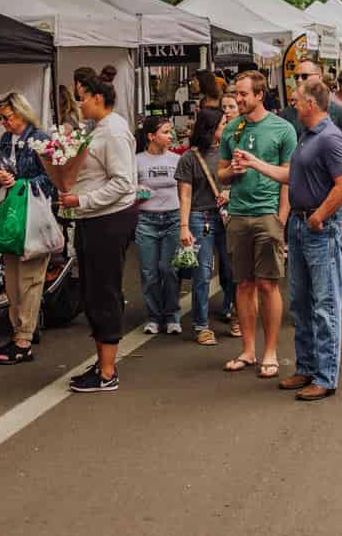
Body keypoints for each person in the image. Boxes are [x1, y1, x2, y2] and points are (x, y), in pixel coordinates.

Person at [235, 76, 342, 401]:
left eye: (297, 100)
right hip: (301, 226)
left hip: (318, 227)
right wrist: (256, 163)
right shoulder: (307, 136)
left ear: (311, 104)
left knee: (325, 305)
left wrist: (319, 215)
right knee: (301, 302)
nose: (293, 105)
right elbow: (293, 174)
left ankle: (326, 377)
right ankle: (306, 367)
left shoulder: (329, 138)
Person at [58, 70, 139, 393]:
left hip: (109, 219)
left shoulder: (114, 131)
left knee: (103, 291)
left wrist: (83, 198)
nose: (79, 103)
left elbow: (123, 183)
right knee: (93, 290)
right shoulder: (98, 129)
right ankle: (103, 361)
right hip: (93, 218)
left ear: (97, 98)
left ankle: (107, 371)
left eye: (81, 96)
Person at [218, 71, 297, 380]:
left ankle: (271, 352)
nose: (238, 99)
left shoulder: (282, 129)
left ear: (259, 95)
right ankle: (248, 350)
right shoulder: (232, 130)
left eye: (243, 94)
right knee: (244, 283)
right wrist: (233, 171)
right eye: (236, 94)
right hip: (238, 213)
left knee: (268, 284)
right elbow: (221, 174)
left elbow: (290, 175)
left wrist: (282, 216)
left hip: (268, 214)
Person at [0, 92, 53, 365]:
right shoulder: (5, 140)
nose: (3, 122)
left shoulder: (41, 139)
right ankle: (20, 332)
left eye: (6, 117)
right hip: (13, 215)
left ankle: (24, 338)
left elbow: (51, 179)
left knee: (29, 279)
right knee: (12, 279)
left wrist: (19, 183)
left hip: (33, 215)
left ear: (21, 113)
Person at [177, 105, 234, 344]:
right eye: (222, 124)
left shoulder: (229, 151)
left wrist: (229, 192)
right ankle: (201, 325)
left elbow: (239, 181)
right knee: (202, 273)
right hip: (202, 217)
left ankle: (234, 313)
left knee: (232, 270)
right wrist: (184, 225)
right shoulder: (190, 157)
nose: (226, 128)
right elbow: (186, 194)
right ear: (210, 128)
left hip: (227, 215)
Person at [134, 115, 185, 336]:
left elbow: (185, 191)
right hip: (146, 220)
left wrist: (185, 222)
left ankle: (172, 315)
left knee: (169, 269)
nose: (170, 135)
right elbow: (127, 187)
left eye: (170, 131)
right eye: (165, 132)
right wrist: (136, 190)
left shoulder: (177, 159)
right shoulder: (137, 160)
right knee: (149, 272)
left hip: (173, 218)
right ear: (151, 136)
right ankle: (154, 316)